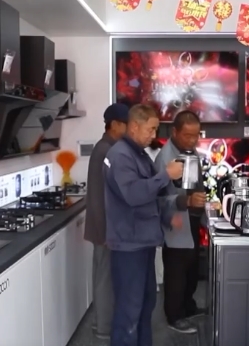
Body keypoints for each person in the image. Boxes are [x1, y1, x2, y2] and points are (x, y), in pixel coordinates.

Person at [105, 104, 185, 346]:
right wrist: (166, 174)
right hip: (128, 245)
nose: (154, 135)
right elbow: (134, 194)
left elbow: (150, 195)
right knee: (129, 311)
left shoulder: (138, 154)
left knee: (145, 304)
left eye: (156, 129)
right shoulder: (120, 156)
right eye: (150, 129)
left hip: (142, 242)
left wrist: (166, 217)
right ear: (134, 127)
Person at [154, 111, 207, 333]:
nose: (193, 140)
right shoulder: (165, 159)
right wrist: (186, 201)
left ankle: (188, 306)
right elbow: (156, 198)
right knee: (176, 271)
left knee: (191, 268)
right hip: (175, 222)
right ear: (174, 132)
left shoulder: (189, 152)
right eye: (188, 135)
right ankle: (174, 316)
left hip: (191, 220)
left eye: (196, 135)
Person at [84, 103, 128, 340]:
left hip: (105, 227)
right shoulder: (106, 150)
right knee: (105, 279)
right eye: (127, 124)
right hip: (105, 229)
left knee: (104, 276)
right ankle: (104, 328)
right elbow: (100, 196)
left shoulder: (108, 148)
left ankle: (100, 323)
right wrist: (106, 232)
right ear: (115, 125)